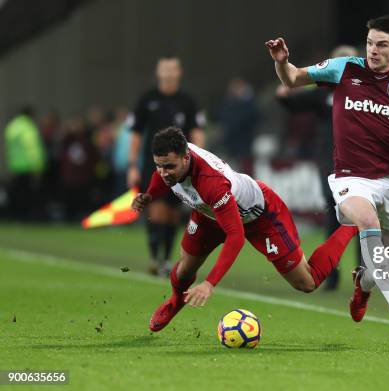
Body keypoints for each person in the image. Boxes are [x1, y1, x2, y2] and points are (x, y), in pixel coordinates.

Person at [266, 15, 389, 331]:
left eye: (382, 45)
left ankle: (363, 284)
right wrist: (282, 63)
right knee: (368, 221)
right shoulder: (344, 68)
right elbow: (292, 79)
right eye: (370, 43)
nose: (373, 50)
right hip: (351, 177)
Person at [132, 127, 357, 332]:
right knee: (184, 269)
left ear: (186, 158)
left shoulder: (212, 183)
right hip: (210, 214)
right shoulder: (174, 160)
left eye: (169, 166)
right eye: (159, 165)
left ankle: (352, 224)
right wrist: (150, 194)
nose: (164, 172)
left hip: (260, 217)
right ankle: (175, 301)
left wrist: (209, 283)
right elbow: (162, 176)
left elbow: (236, 236)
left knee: (306, 282)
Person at [276, 44, 359, 291]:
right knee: (335, 214)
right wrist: (283, 95)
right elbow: (293, 104)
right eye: (339, 60)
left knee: (365, 219)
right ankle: (331, 273)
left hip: (361, 164)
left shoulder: (366, 92)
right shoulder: (324, 92)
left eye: (348, 60)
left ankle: (365, 275)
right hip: (331, 163)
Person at [128, 56, 205, 276]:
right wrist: (132, 165)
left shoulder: (188, 102)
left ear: (178, 72)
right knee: (156, 208)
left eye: (172, 69)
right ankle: (155, 256)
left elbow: (198, 132)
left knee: (172, 213)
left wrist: (200, 160)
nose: (168, 73)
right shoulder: (147, 99)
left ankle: (165, 259)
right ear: (158, 72)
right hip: (152, 166)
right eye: (164, 69)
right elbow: (135, 133)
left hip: (181, 167)